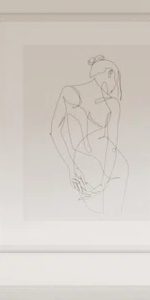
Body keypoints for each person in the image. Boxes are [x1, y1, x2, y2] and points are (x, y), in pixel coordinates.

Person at [48, 55, 128, 215]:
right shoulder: (112, 104)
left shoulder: (69, 93)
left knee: (99, 216)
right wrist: (103, 182)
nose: (114, 88)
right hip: (106, 169)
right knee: (108, 216)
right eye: (115, 81)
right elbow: (112, 146)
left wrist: (71, 166)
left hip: (96, 168)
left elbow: (55, 131)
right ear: (109, 74)